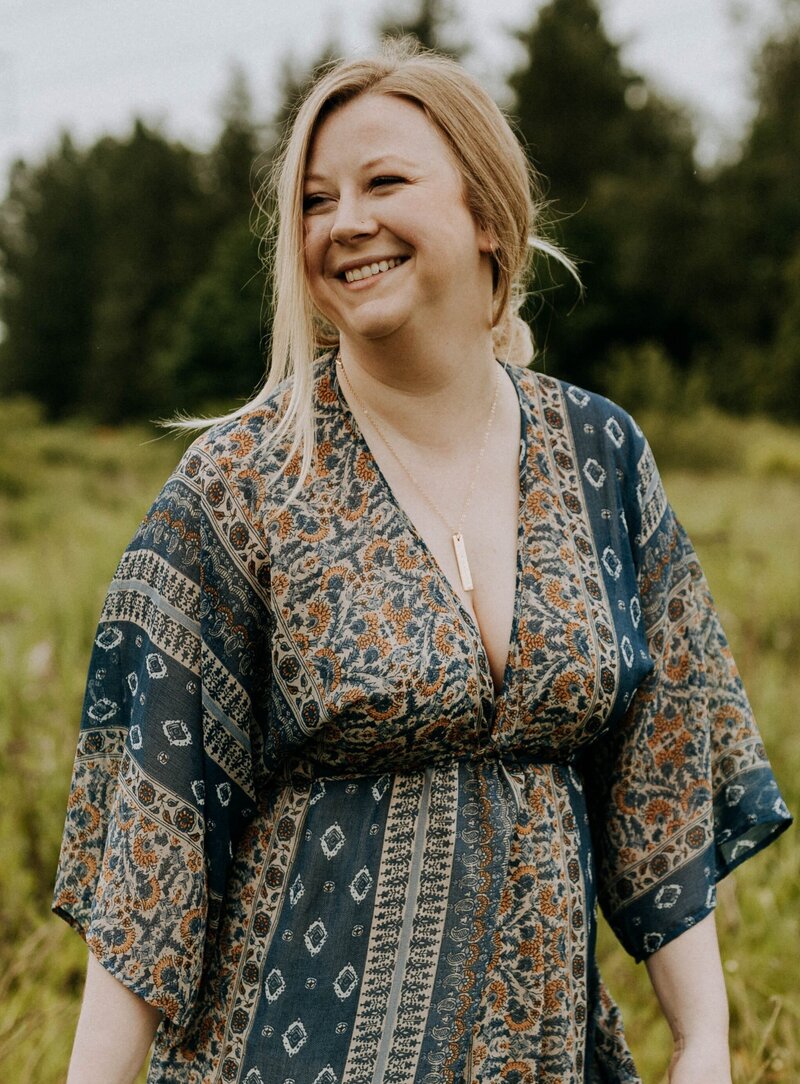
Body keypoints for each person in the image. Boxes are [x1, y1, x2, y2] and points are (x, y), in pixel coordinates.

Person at [54, 40, 791, 1084]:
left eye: (383, 181)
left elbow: (659, 769)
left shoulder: (599, 457)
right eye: (314, 199)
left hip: (541, 1057)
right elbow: (154, 833)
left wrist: (703, 1040)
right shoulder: (241, 484)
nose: (343, 220)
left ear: (485, 212)